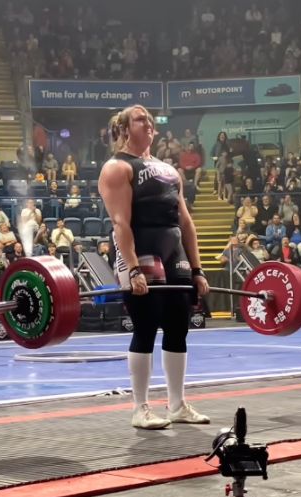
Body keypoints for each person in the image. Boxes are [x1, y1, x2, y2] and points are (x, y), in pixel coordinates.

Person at [98, 104, 210, 430]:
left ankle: (176, 405)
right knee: (146, 326)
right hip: (141, 250)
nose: (147, 123)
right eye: (139, 119)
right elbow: (121, 223)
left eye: (149, 119)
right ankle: (140, 408)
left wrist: (198, 269)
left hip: (174, 252)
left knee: (179, 325)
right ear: (123, 128)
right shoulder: (117, 168)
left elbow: (186, 222)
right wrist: (132, 269)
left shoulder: (170, 171)